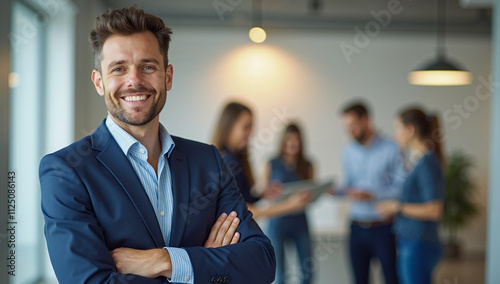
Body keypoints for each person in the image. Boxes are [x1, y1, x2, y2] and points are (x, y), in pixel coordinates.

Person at [39, 6, 275, 284]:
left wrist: (164, 261)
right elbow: (90, 281)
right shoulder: (66, 171)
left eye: (147, 66)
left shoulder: (208, 161)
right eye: (119, 68)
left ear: (168, 76)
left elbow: (261, 263)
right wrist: (198, 266)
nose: (134, 80)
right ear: (99, 82)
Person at [336, 102, 404, 284]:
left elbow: (402, 188)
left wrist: (374, 195)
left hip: (384, 227)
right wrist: (336, 191)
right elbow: (349, 185)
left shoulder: (391, 148)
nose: (350, 131)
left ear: (366, 120)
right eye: (347, 128)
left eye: (353, 126)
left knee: (391, 278)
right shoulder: (348, 152)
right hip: (356, 227)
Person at [376, 108, 445, 284]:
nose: (395, 135)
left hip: (419, 243)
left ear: (410, 130)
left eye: (397, 128)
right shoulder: (420, 161)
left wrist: (396, 207)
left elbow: (434, 209)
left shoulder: (426, 163)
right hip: (413, 241)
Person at [211, 102, 311, 219]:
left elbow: (241, 199)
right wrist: (289, 205)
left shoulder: (234, 158)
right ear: (229, 127)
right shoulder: (229, 161)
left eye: (251, 127)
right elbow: (241, 211)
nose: (250, 133)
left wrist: (262, 195)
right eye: (246, 127)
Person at [265, 123, 314, 284]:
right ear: (283, 141)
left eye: (296, 140)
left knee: (307, 271)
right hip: (277, 222)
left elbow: (312, 194)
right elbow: (262, 192)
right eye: (289, 139)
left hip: (300, 222)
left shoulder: (308, 165)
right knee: (279, 275)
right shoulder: (271, 163)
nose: (293, 143)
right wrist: (270, 192)